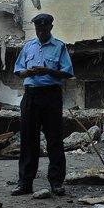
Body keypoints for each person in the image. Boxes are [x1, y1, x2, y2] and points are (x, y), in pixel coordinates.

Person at [12, 13, 74, 196]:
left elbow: (68, 73)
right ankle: (25, 183)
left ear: (51, 28)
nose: (40, 32)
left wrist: (47, 71)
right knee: (28, 141)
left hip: (51, 96)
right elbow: (17, 71)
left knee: (54, 140)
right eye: (38, 29)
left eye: (44, 29)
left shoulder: (59, 46)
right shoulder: (28, 46)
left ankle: (56, 182)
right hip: (30, 96)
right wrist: (28, 72)